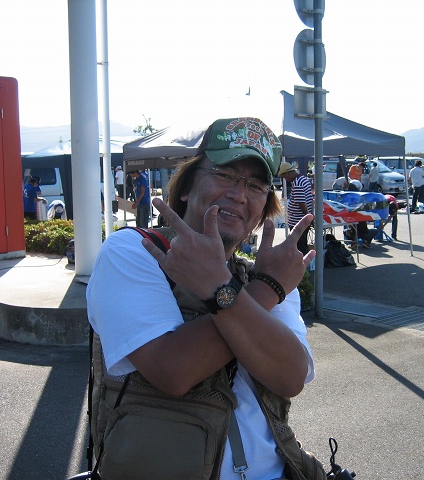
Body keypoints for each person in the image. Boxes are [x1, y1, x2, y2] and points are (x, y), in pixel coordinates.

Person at [86, 117, 320, 480]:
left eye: (256, 185)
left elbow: (291, 378)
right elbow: (172, 371)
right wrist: (265, 290)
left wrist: (247, 287)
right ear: (186, 187)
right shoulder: (134, 251)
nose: (239, 194)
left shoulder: (262, 273)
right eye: (224, 174)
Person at [278, 161, 314, 255]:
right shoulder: (304, 179)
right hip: (301, 220)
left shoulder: (297, 182)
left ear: (288, 173)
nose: (286, 179)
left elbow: (301, 202)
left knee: (300, 247)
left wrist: (307, 217)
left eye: (285, 176)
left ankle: (304, 264)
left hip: (298, 221)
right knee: (302, 245)